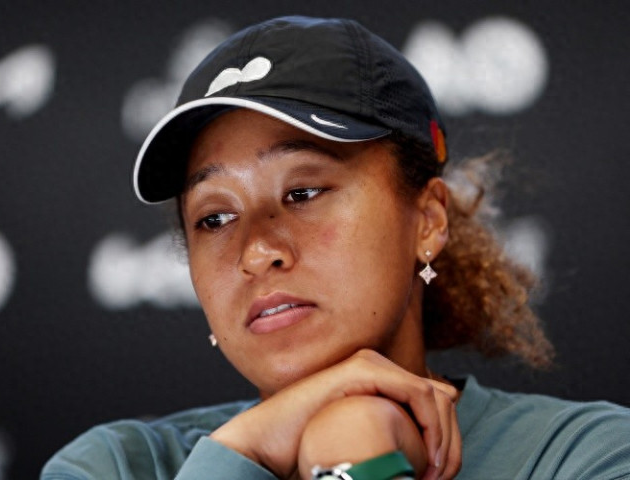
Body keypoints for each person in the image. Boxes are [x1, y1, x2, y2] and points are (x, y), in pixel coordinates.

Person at [41, 16, 630, 480]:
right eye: (214, 217)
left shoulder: (587, 457)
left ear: (427, 221)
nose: (256, 251)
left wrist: (353, 454)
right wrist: (244, 454)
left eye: (302, 193)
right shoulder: (112, 466)